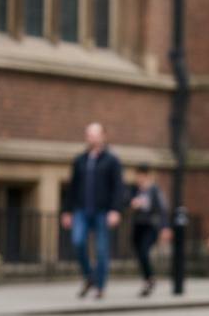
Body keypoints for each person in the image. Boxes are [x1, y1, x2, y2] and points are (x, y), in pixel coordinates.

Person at [61, 123, 124, 298]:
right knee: (77, 242)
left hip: (103, 211)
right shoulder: (80, 160)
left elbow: (118, 187)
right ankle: (89, 275)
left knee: (101, 250)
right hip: (82, 210)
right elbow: (73, 187)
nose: (92, 139)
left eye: (95, 135)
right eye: (89, 136)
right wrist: (67, 211)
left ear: (103, 137)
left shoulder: (112, 160)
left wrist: (115, 210)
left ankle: (100, 286)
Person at [129, 165, 171, 296]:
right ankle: (148, 278)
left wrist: (165, 227)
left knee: (144, 250)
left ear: (146, 176)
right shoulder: (134, 190)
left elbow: (162, 209)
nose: (138, 178)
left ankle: (149, 279)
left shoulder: (154, 191)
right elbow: (124, 199)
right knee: (139, 252)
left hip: (150, 226)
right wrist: (131, 202)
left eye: (140, 176)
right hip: (138, 225)